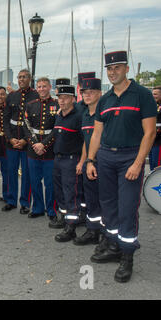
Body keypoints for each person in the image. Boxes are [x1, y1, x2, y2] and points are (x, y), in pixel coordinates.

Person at [87, 50, 157, 283]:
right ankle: (114, 246)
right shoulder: (105, 99)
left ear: (127, 69)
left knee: (127, 207)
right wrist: (90, 160)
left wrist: (138, 163)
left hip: (130, 158)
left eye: (117, 67)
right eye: (109, 68)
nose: (112, 71)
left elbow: (150, 132)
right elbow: (97, 133)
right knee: (108, 205)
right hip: (105, 157)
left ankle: (127, 257)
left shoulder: (142, 95)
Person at [22, 77, 59, 222]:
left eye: (44, 86)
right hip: (33, 149)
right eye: (39, 86)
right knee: (35, 181)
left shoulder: (56, 105)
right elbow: (26, 126)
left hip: (49, 150)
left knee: (50, 183)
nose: (42, 89)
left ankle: (51, 210)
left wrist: (44, 144)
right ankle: (37, 208)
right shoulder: (30, 105)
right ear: (36, 88)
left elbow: (57, 128)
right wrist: (34, 144)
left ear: (50, 87)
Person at [51, 85, 84, 242]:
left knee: (71, 193)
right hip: (58, 159)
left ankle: (71, 227)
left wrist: (82, 161)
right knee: (60, 192)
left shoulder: (79, 116)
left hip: (71, 160)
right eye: (59, 98)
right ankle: (63, 217)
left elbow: (86, 141)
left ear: (73, 99)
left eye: (65, 98)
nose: (61, 101)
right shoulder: (60, 115)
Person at [73, 78, 103, 246]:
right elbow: (87, 140)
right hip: (89, 163)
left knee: (105, 200)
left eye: (92, 92)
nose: (88, 95)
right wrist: (83, 161)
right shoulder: (85, 114)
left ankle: (106, 234)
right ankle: (92, 230)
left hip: (103, 163)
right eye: (85, 92)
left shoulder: (104, 113)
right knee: (91, 199)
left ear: (100, 93)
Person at [3, 69, 37, 213]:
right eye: (19, 77)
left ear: (29, 79)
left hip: (26, 142)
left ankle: (25, 202)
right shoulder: (12, 96)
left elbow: (35, 122)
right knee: (11, 172)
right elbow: (6, 119)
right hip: (12, 141)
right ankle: (11, 200)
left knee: (26, 174)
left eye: (24, 77)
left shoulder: (35, 96)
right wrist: (10, 138)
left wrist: (25, 140)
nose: (21, 79)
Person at [149, 86, 161, 170]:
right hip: (152, 142)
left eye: (155, 94)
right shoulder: (155, 106)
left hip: (159, 143)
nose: (153, 96)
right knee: (152, 168)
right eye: (152, 94)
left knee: (157, 169)